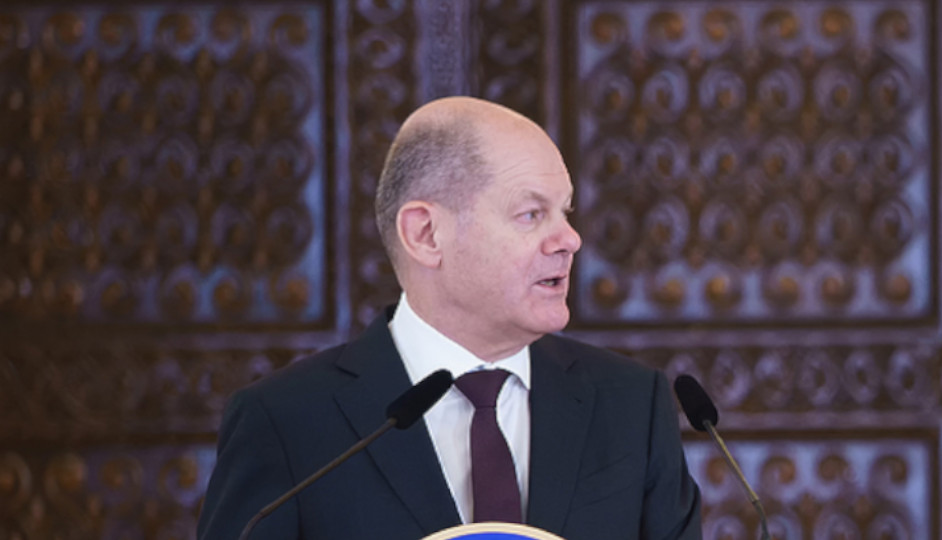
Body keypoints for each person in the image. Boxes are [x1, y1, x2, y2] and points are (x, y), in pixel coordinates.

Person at [198, 97, 702, 539]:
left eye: (564, 213)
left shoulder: (631, 405)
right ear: (426, 235)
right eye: (531, 214)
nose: (569, 239)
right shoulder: (286, 422)